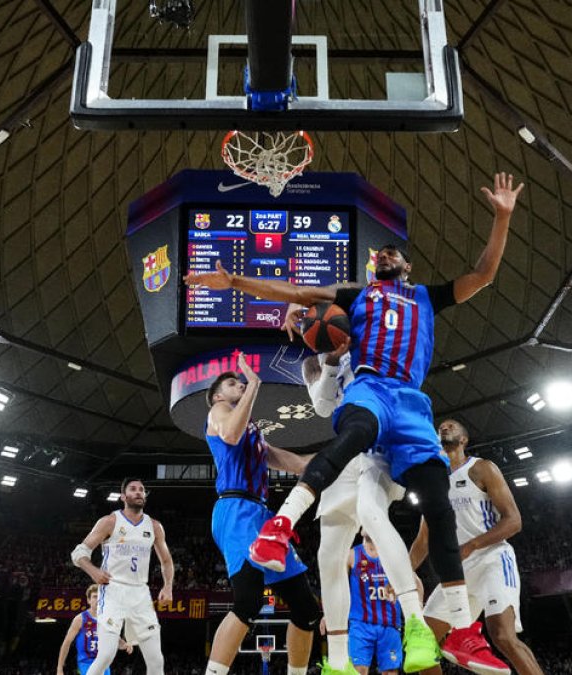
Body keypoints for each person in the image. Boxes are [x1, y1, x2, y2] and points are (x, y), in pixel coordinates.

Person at [185, 172, 525, 666]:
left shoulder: (422, 299)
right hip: (357, 416)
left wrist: (502, 217)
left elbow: (482, 274)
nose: (383, 256)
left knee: (399, 507)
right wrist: (242, 286)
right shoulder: (344, 323)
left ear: (405, 265)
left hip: (396, 416)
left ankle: (434, 623)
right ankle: (338, 650)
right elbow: (301, 308)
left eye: (392, 253)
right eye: (377, 255)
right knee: (330, 547)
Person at [304, 344, 447, 674]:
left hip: (379, 441)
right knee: (328, 555)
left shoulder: (377, 337)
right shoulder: (313, 359)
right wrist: (330, 360)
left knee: (371, 512)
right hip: (344, 451)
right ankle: (338, 660)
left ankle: (416, 624)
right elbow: (323, 407)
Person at [203, 353, 320, 675]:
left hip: (261, 514)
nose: (238, 384)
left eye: (240, 381)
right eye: (232, 383)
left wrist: (347, 448)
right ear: (217, 395)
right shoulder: (219, 411)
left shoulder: (255, 434)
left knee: (307, 610)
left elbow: (298, 464)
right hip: (235, 508)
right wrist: (253, 384)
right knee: (248, 601)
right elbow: (229, 434)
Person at [410, 419, 541, 675]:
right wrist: (400, 577)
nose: (444, 427)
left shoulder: (482, 469)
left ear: (464, 439)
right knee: (422, 643)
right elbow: (423, 540)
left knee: (502, 635)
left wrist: (472, 545)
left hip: (492, 557)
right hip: (457, 571)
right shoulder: (433, 483)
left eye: (452, 426)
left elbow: (514, 521)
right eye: (441, 427)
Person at [70, 478, 174, 675]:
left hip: (140, 593)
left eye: (142, 490)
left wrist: (167, 586)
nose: (138, 492)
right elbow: (78, 553)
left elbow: (166, 561)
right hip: (113, 591)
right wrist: (93, 571)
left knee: (156, 660)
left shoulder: (154, 526)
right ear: (124, 496)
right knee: (106, 655)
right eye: (133, 489)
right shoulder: (110, 521)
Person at [346, 532, 409, 675]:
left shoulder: (394, 555)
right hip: (360, 624)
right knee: (358, 671)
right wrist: (329, 614)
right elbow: (336, 585)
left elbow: (415, 581)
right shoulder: (351, 555)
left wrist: (417, 607)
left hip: (389, 624)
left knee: (390, 672)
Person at [56, 585, 131, 675]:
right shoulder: (80, 619)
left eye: (100, 597)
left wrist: (125, 645)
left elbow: (115, 639)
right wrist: (59, 668)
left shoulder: (108, 619)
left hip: (103, 664)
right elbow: (67, 643)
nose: (98, 599)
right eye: (95, 597)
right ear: (89, 600)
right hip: (85, 663)